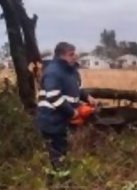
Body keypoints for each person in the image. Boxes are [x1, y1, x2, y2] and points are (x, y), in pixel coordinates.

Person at [35, 42, 96, 170]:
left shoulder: (71, 71)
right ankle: (58, 182)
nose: (75, 56)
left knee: (63, 151)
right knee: (56, 155)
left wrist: (88, 97)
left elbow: (77, 88)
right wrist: (72, 113)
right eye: (71, 54)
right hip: (51, 120)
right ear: (61, 56)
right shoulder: (53, 71)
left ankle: (61, 178)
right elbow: (54, 96)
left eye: (74, 53)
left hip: (61, 119)